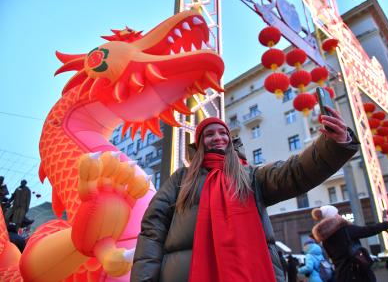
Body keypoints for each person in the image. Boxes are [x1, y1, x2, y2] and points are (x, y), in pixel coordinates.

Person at [131, 109, 359, 282]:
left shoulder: (251, 176)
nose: (218, 137)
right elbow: (153, 229)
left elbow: (294, 172)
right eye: (209, 134)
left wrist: (334, 144)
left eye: (223, 133)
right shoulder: (182, 178)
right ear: (200, 144)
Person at [311, 205, 388, 282]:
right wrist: (385, 224)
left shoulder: (325, 238)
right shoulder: (345, 229)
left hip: (341, 274)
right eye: (337, 213)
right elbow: (367, 230)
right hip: (357, 272)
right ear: (332, 217)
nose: (339, 216)